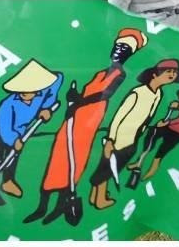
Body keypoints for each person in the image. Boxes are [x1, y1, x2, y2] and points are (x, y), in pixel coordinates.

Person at [24, 28, 146, 224]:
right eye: (117, 46)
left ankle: (60, 206)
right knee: (58, 157)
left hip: (88, 122)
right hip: (73, 117)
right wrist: (75, 98)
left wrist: (78, 101)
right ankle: (42, 206)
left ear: (128, 53)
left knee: (75, 160)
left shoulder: (119, 74)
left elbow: (102, 95)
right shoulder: (101, 71)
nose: (118, 50)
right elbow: (89, 92)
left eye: (123, 48)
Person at [88, 59, 179, 210]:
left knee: (112, 167)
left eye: (174, 72)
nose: (172, 74)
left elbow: (147, 117)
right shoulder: (138, 92)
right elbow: (119, 116)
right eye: (168, 71)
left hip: (134, 137)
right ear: (154, 74)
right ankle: (99, 199)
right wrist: (110, 140)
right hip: (120, 137)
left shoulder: (158, 94)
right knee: (108, 167)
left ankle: (95, 196)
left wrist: (156, 125)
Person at [0, 60, 62, 207]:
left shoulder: (42, 92)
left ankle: (8, 182)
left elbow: (58, 78)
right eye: (22, 90)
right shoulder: (8, 104)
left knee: (13, 157)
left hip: (21, 131)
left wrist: (47, 107)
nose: (25, 93)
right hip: (1, 135)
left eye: (29, 89)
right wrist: (14, 140)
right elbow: (4, 127)